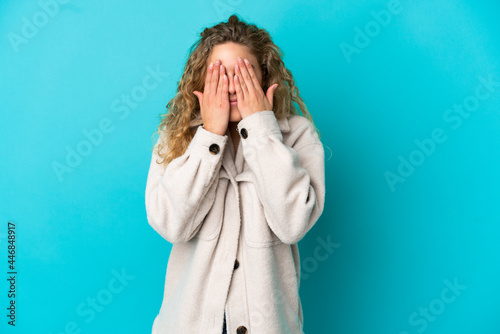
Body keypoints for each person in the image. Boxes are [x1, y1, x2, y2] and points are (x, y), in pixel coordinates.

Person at [145, 14, 326, 334]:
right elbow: (171, 224)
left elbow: (293, 224)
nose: (230, 85)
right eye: (219, 74)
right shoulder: (176, 138)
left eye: (242, 72)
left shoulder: (298, 135)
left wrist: (260, 128)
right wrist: (209, 137)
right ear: (201, 80)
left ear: (264, 77)